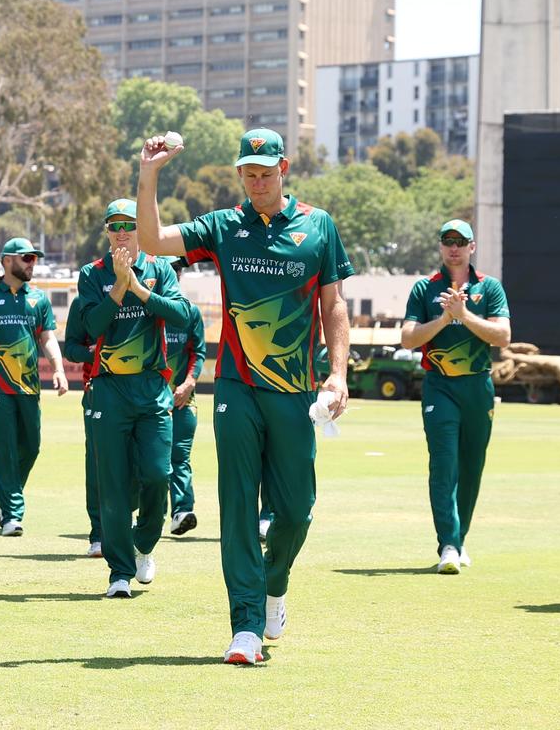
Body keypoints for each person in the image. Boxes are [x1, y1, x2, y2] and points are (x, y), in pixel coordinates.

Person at [137, 128, 354, 666]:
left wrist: (339, 374)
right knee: (237, 509)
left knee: (298, 510)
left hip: (294, 393)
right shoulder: (223, 226)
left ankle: (274, 582)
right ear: (239, 174)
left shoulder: (318, 226)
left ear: (284, 168)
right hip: (236, 387)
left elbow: (334, 307)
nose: (257, 182)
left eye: (265, 172)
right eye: (248, 173)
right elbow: (152, 242)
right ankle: (246, 628)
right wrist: (149, 174)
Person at [76, 198, 191, 599]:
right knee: (113, 484)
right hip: (109, 389)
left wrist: (138, 289)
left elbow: (181, 316)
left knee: (158, 474)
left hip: (151, 388)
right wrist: (118, 287)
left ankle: (145, 544)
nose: (122, 232)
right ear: (107, 231)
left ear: (141, 228)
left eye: (129, 224)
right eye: (114, 225)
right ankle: (119, 572)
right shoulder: (91, 275)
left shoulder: (160, 269)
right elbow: (90, 326)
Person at [401, 219, 511, 575]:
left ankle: (459, 538)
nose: (454, 248)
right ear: (441, 246)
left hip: (478, 386)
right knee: (444, 461)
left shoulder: (489, 288)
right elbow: (408, 338)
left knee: (471, 465)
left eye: (460, 242)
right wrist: (445, 319)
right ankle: (448, 543)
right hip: (440, 385)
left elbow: (502, 336)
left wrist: (464, 315)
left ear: (472, 247)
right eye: (448, 241)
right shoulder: (424, 288)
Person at [0, 238, 68, 536]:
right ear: (7, 261)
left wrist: (57, 369)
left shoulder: (39, 299)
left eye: (34, 259)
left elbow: (47, 338)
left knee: (31, 447)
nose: (33, 263)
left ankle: (9, 495)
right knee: (3, 451)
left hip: (29, 390)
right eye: (27, 258)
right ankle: (11, 515)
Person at [162, 256, 206, 536]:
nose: (175, 274)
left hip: (183, 399)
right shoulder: (145, 309)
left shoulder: (190, 312)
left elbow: (198, 353)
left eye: (178, 270)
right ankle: (144, 512)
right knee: (149, 460)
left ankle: (182, 511)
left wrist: (189, 382)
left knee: (180, 456)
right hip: (150, 400)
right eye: (170, 269)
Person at [63, 295, 102, 557]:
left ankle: (132, 521)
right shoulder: (84, 299)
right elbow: (71, 348)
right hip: (96, 390)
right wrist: (92, 352)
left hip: (141, 392)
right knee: (97, 463)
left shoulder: (148, 290)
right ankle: (99, 534)